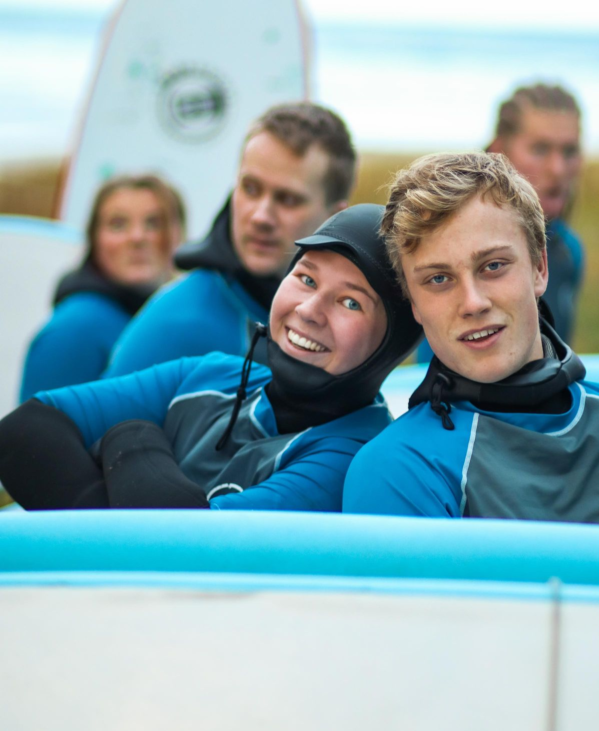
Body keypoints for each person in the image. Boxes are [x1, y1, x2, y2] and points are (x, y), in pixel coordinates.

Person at [0, 205, 422, 512]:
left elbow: (183, 551)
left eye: (350, 302)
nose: (310, 310)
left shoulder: (352, 458)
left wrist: (131, 441)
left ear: (392, 343)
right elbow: (22, 434)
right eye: (306, 278)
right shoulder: (207, 374)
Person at [344, 153, 599, 529]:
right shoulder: (398, 468)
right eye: (438, 279)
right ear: (413, 303)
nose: (473, 303)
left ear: (540, 268)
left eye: (493, 266)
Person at [105, 102, 356, 376]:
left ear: (334, 217)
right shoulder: (178, 322)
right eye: (250, 188)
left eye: (287, 199)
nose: (260, 216)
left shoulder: (346, 325)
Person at [19, 175, 185, 401]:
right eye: (118, 224)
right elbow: (35, 432)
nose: (137, 237)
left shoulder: (158, 318)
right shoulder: (75, 329)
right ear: (94, 239)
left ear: (180, 235)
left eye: (153, 223)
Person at [488, 82, 584, 341]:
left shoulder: (568, 250)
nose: (558, 169)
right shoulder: (460, 245)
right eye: (540, 149)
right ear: (499, 151)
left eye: (569, 151)